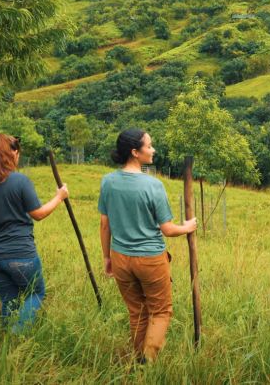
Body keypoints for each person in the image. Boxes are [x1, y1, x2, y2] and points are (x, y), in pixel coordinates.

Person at [98, 128, 196, 363]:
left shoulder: (108, 182)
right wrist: (188, 226)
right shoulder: (153, 186)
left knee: (137, 312)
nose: (153, 150)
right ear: (135, 152)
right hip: (150, 259)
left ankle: (137, 357)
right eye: (149, 146)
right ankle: (147, 362)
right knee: (160, 311)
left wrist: (107, 257)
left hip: (120, 257)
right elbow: (168, 229)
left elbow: (104, 224)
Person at [0, 133, 69, 333]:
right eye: (16, 152)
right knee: (35, 293)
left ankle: (5, 339)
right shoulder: (20, 181)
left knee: (9, 297)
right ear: (12, 154)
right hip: (21, 254)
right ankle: (17, 335)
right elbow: (38, 214)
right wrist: (59, 197)